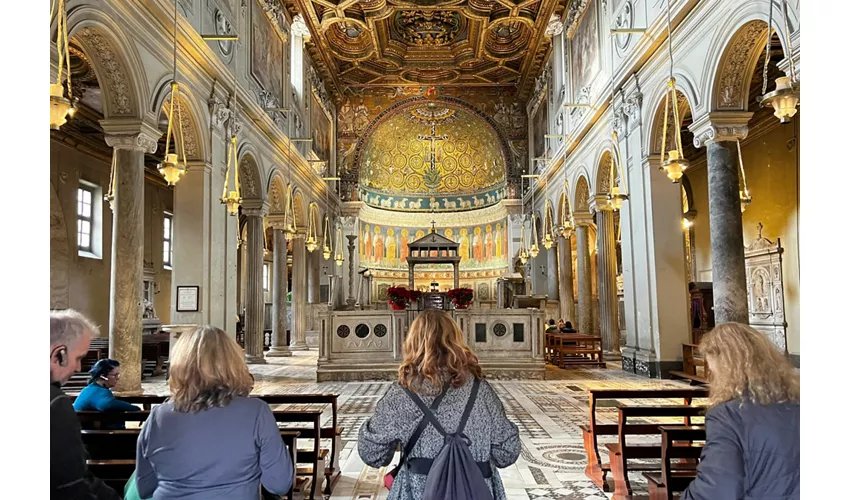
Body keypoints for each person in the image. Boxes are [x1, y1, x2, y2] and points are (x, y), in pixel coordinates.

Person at [358, 309, 520, 500]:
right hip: (475, 490)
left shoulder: (402, 393)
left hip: (416, 491)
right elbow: (507, 452)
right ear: (456, 340)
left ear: (412, 341)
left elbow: (371, 453)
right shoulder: (481, 390)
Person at [135, 325, 293, 499]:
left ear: (179, 365)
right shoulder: (256, 412)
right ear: (233, 363)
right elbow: (279, 484)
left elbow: (144, 488)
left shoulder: (158, 416)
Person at [681, 323, 800, 500]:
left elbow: (718, 489)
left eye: (714, 373)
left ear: (727, 373)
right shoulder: (799, 401)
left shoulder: (728, 416)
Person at [50, 309, 121, 500]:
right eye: (79, 358)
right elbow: (71, 483)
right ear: (59, 354)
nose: (79, 368)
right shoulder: (55, 404)